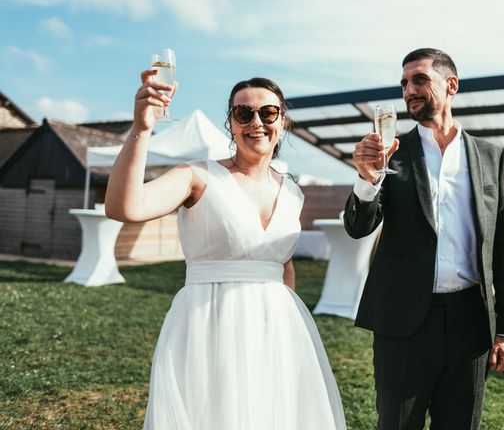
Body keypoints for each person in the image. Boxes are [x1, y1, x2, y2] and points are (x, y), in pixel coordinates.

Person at [105, 70, 346, 429]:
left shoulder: (293, 191)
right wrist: (142, 128)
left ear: (283, 121)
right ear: (231, 123)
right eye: (243, 113)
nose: (256, 122)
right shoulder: (196, 176)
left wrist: (286, 336)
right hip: (208, 322)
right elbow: (125, 207)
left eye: (268, 113)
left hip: (276, 327)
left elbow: (283, 264)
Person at [344, 48, 504, 430]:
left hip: (471, 323)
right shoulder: (391, 154)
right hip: (403, 322)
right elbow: (358, 227)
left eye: (420, 80)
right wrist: (366, 177)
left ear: (451, 85)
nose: (409, 90)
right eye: (405, 83)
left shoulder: (492, 156)